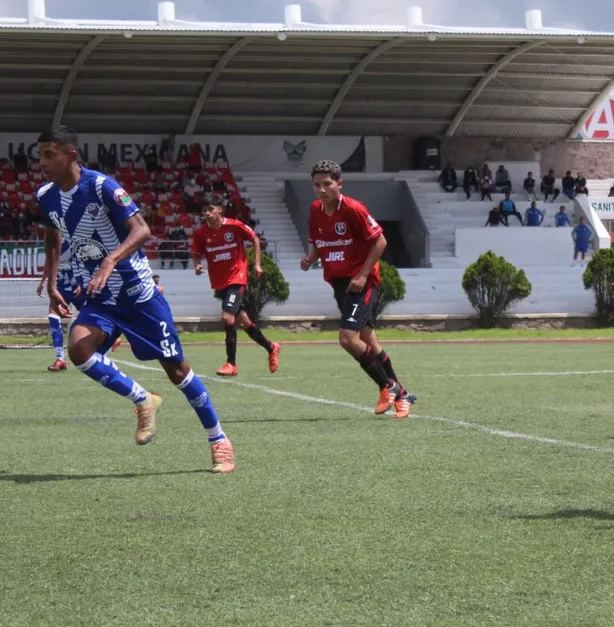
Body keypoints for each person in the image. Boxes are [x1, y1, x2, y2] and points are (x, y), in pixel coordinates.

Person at [36, 125, 234, 472]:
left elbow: (142, 229)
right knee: (79, 349)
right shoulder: (46, 196)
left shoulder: (101, 186)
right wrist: (51, 283)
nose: (42, 163)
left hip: (137, 295)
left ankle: (218, 439)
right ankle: (143, 399)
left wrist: (112, 260)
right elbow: (52, 235)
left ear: (71, 155)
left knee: (177, 371)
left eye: (50, 155)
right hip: (101, 298)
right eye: (40, 156)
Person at [300, 159, 415, 418]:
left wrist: (363, 275)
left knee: (347, 339)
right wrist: (310, 258)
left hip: (360, 282)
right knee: (368, 340)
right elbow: (319, 241)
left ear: (339, 184)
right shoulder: (315, 210)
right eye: (317, 185)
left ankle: (388, 386)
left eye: (327, 184)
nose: (321, 190)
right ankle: (404, 395)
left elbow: (380, 241)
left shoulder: (353, 209)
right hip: (338, 282)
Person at [189, 197, 281, 377]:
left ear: (219, 210)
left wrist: (257, 264)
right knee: (244, 322)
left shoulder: (234, 226)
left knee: (227, 317)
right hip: (220, 282)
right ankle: (271, 347)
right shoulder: (201, 233)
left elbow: (254, 237)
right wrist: (197, 264)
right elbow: (196, 252)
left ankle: (231, 364)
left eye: (210, 209)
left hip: (236, 277)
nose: (207, 213)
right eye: (204, 210)